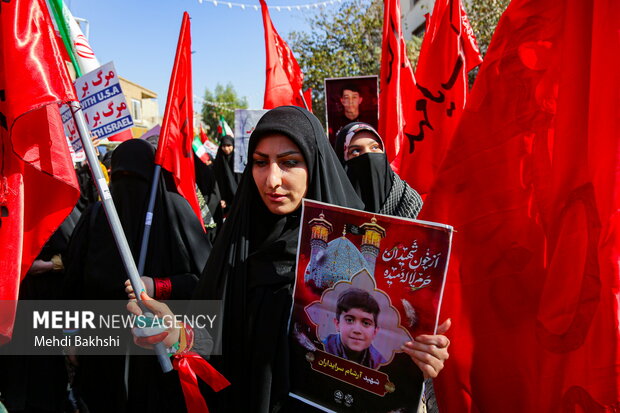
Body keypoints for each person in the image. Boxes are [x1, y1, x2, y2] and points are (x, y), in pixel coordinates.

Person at [127, 106, 450, 412]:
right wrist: (175, 335)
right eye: (260, 162)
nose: (272, 180)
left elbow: (377, 360)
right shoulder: (239, 241)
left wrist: (415, 359)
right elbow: (219, 338)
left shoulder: (355, 252)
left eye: (289, 162)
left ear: (315, 163)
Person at [63, 139, 211, 413]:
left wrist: (157, 286)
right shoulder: (97, 216)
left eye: (136, 178)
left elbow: (204, 282)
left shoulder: (175, 211)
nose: (128, 187)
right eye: (120, 177)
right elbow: (73, 285)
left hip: (160, 352)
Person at [335, 122, 424, 218]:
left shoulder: (409, 201)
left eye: (374, 147)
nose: (368, 155)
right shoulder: (335, 207)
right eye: (356, 151)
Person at [322, 288, 387, 369]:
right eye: (349, 320)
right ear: (337, 324)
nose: (357, 330)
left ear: (375, 332)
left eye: (366, 323)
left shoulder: (380, 363)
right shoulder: (321, 349)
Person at [212, 135, 241, 215]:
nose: (226, 148)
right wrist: (220, 199)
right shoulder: (218, 161)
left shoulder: (239, 161)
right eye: (224, 146)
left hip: (239, 199)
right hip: (223, 202)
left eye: (229, 145)